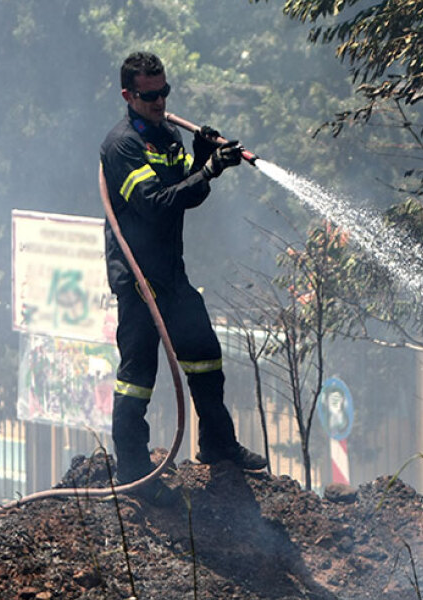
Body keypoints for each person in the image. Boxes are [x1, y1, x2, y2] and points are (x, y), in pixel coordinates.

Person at [100, 51, 267, 502]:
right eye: (149, 95)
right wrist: (208, 170)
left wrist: (201, 161)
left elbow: (184, 197)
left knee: (205, 356)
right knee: (138, 374)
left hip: (170, 271)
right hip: (138, 277)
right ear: (128, 95)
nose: (159, 102)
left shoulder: (168, 136)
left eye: (164, 92)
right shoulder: (122, 146)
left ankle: (217, 445)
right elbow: (154, 205)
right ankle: (134, 471)